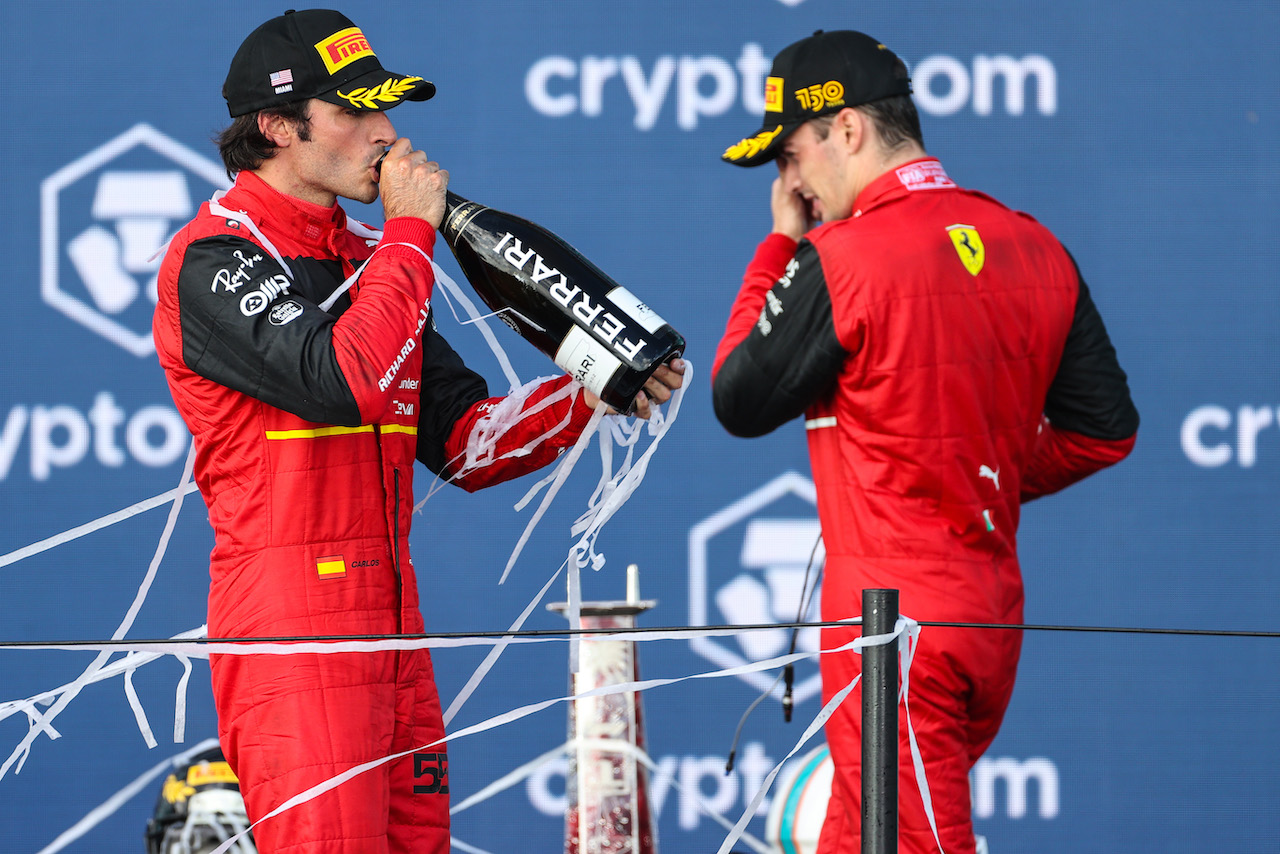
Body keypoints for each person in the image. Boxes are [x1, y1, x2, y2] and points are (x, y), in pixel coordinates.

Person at [152, 9, 683, 853]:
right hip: (295, 630)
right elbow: (349, 381)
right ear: (278, 128)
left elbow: (468, 443)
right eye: (355, 111)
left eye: (385, 108)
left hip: (396, 623)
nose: (386, 132)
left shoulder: (371, 258)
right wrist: (409, 231)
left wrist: (593, 389)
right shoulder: (215, 257)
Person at [712, 30, 1137, 854]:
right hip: (987, 621)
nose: (790, 182)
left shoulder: (841, 256)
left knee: (907, 844)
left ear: (846, 130)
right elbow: (1102, 433)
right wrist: (971, 472)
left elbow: (738, 396)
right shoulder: (1034, 241)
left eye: (791, 154)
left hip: (889, 631)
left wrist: (780, 244)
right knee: (856, 837)